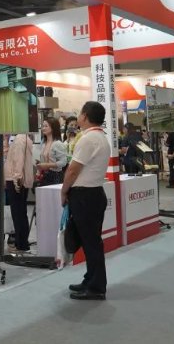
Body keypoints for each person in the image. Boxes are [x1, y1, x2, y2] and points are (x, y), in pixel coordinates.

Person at [61, 101, 111, 300]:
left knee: (91, 243)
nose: (78, 117)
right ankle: (90, 279)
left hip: (85, 196)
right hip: (94, 194)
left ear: (85, 116)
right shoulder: (100, 137)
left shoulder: (88, 139)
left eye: (80, 113)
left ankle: (96, 287)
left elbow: (73, 170)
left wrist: (64, 191)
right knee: (91, 241)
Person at [5, 133, 34, 253]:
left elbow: (18, 160)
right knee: (21, 212)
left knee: (18, 213)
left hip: (16, 180)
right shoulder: (25, 139)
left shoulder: (19, 139)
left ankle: (20, 244)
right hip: (20, 179)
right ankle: (22, 243)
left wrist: (17, 178)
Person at [37, 118, 68, 186]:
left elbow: (63, 162)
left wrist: (48, 165)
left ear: (53, 128)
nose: (43, 128)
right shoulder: (44, 143)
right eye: (43, 126)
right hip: (45, 175)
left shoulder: (58, 144)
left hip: (55, 176)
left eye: (46, 126)